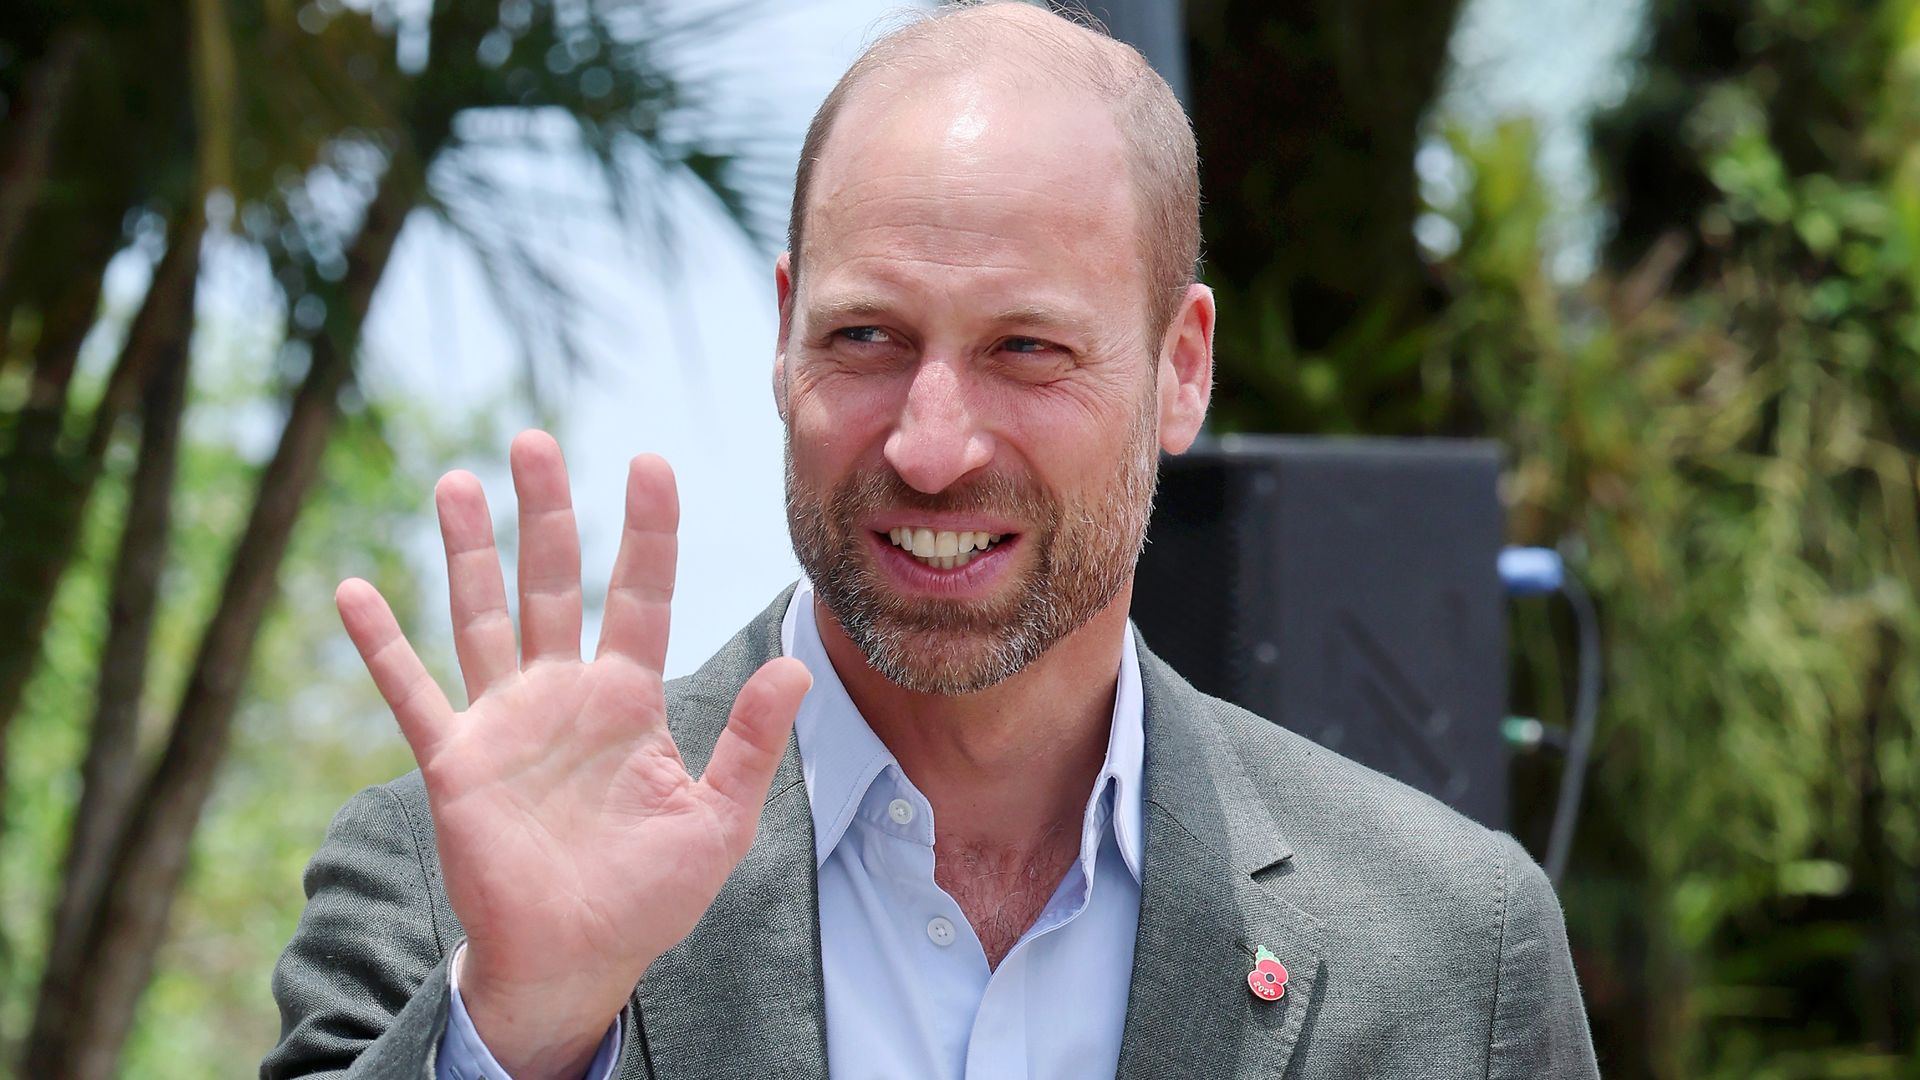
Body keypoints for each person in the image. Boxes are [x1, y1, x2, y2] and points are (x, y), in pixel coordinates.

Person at [262, 3, 1602, 1078]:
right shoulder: (459, 896)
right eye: (867, 339)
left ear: (1180, 370)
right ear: (784, 336)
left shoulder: (1448, 949)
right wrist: (527, 1035)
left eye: (1027, 348)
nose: (931, 442)